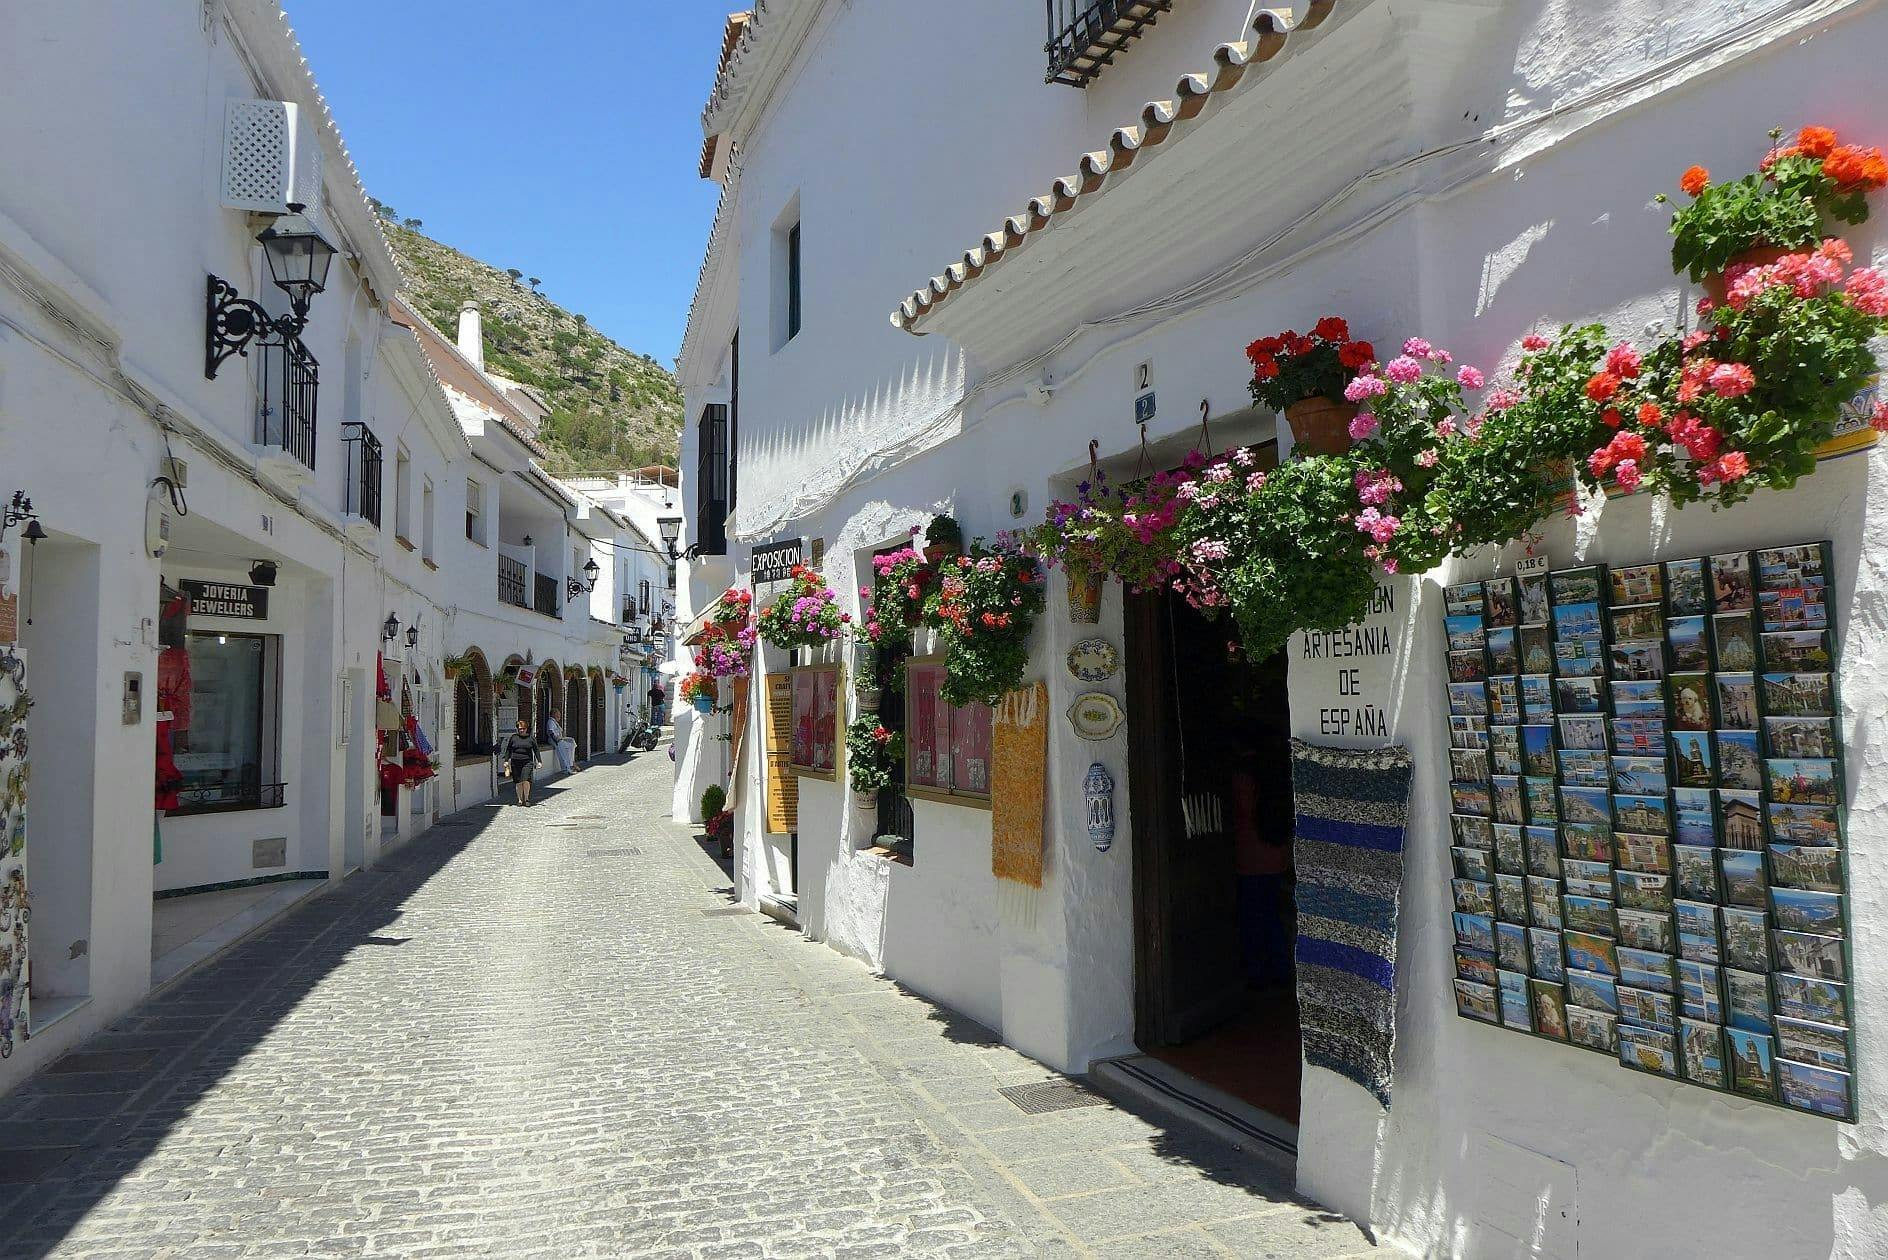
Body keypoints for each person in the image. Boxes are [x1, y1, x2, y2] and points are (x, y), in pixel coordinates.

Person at [502, 719, 539, 805]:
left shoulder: (531, 738)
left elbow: (536, 750)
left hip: (527, 762)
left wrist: (539, 761)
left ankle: (526, 799)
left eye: (523, 728)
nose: (522, 730)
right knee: (518, 781)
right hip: (515, 762)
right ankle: (519, 799)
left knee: (525, 780)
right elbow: (508, 750)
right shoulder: (514, 737)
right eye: (520, 729)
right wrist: (506, 760)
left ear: (526, 728)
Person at [548, 709, 575, 775]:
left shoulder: (555, 722)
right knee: (563, 754)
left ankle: (571, 763)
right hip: (555, 740)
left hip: (560, 739)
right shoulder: (551, 721)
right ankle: (567, 769)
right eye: (558, 714)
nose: (559, 716)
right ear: (554, 714)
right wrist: (557, 741)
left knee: (572, 742)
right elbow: (551, 732)